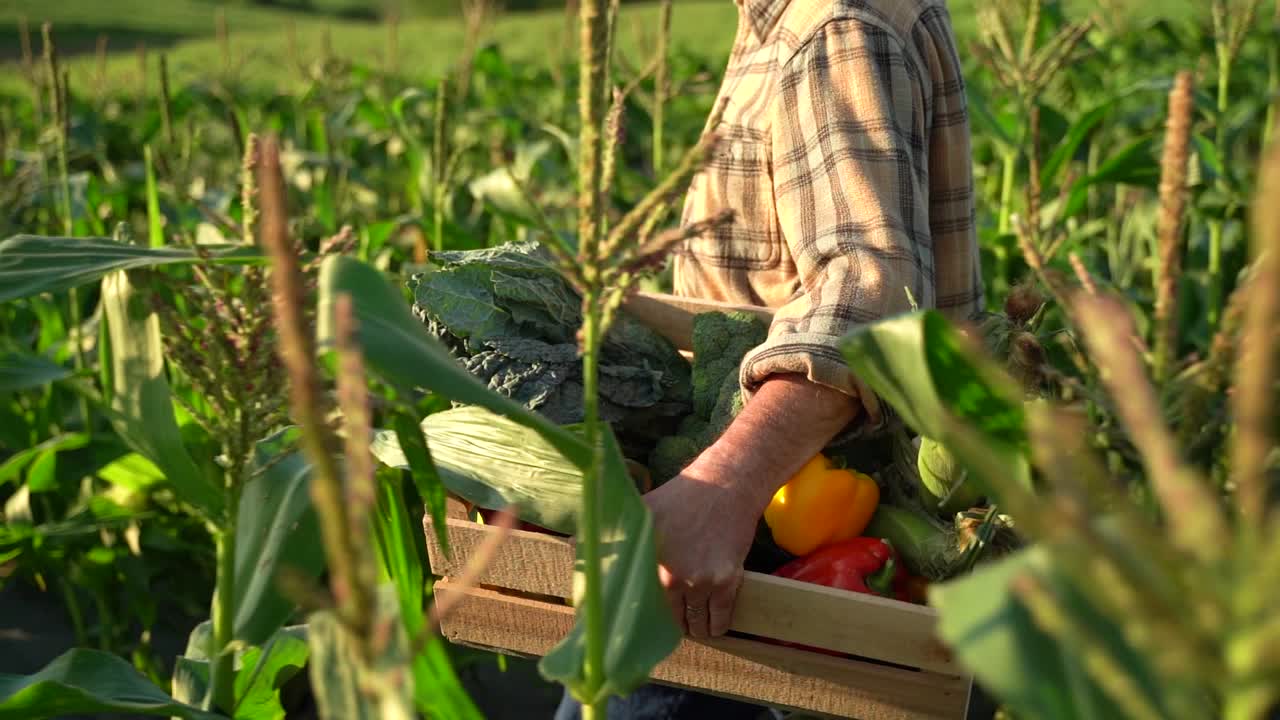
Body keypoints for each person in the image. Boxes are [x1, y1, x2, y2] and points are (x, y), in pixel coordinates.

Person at [555, 0, 982, 715]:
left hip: (761, 564)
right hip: (759, 537)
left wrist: (722, 487)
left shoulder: (835, 27)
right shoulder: (784, 20)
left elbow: (871, 298)